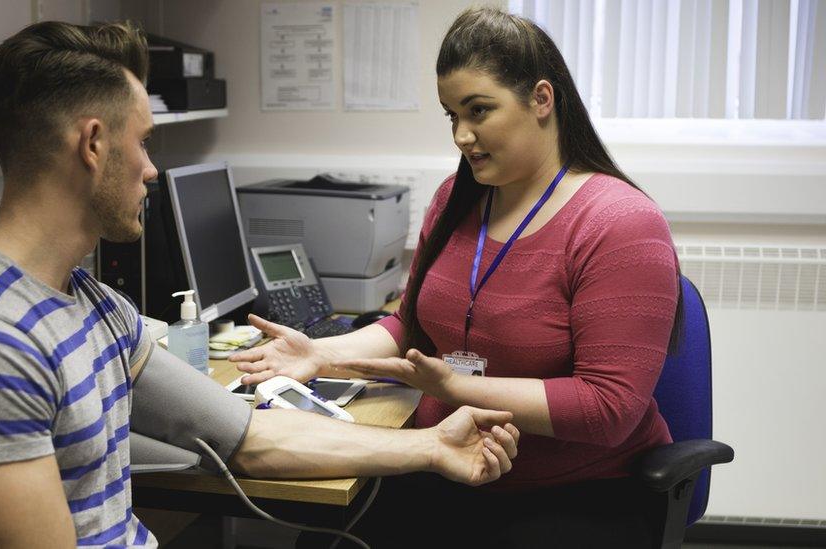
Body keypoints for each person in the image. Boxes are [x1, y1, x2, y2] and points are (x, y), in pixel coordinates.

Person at [0, 21, 520, 548]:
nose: (153, 171)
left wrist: (431, 447)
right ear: (94, 144)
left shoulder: (89, 303)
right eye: (145, 143)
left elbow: (251, 437)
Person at [232, 7, 681, 547]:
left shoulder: (620, 223)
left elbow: (609, 408)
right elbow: (411, 325)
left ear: (541, 99)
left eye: (479, 111)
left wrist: (458, 386)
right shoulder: (456, 199)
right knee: (322, 536)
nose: (462, 136)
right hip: (447, 460)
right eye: (451, 116)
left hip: (575, 490)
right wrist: (322, 354)